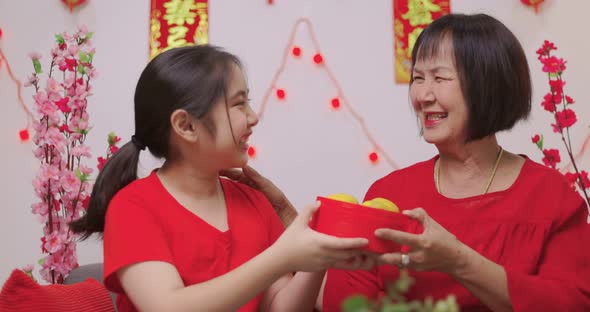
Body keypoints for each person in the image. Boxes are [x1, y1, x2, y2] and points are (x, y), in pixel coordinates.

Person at [224, 13, 590, 311]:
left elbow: (572, 303)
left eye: (440, 78)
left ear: (488, 84)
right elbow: (345, 302)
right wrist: (294, 221)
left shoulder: (551, 196)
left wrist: (458, 261)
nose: (423, 96)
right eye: (417, 78)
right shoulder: (390, 192)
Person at [70, 45, 373, 312]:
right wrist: (282, 257)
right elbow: (168, 306)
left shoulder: (254, 201)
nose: (253, 117)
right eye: (239, 104)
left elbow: (279, 306)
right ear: (186, 126)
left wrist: (314, 256)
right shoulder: (133, 207)